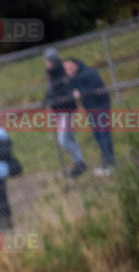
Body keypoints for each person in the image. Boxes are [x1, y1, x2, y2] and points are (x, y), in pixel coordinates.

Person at [64, 58, 115, 175]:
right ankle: (106, 163)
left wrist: (80, 92)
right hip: (89, 108)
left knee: (104, 134)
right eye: (66, 68)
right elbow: (70, 91)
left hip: (101, 105)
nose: (68, 70)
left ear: (76, 65)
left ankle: (110, 164)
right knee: (97, 135)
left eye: (70, 67)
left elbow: (95, 88)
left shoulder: (89, 72)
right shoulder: (71, 77)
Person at [43, 48, 86, 177]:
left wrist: (53, 97)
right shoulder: (51, 74)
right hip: (58, 109)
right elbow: (52, 91)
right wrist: (46, 100)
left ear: (53, 61)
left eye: (47, 61)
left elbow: (63, 89)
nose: (46, 63)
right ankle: (79, 162)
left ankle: (79, 162)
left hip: (66, 109)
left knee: (63, 139)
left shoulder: (61, 72)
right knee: (69, 137)